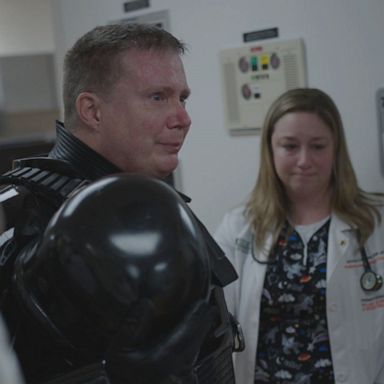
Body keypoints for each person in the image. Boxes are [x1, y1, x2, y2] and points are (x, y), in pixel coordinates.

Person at [0, 23, 238, 384]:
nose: (183, 119)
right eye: (158, 97)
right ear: (93, 111)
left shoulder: (147, 199)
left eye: (182, 98)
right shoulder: (15, 217)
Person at [214, 87, 384, 384]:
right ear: (270, 149)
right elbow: (212, 321)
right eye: (290, 146)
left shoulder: (376, 223)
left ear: (336, 149)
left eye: (318, 146)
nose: (304, 160)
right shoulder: (239, 227)